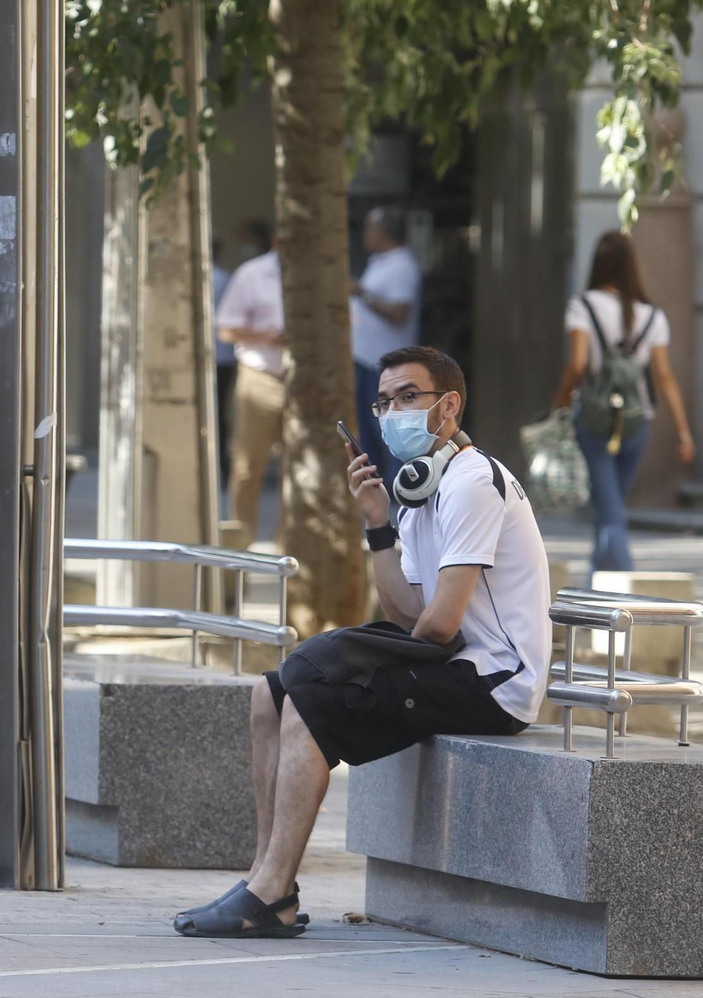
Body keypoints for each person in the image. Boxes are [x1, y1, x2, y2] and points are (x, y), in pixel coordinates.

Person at [175, 346, 550, 939]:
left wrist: (361, 658)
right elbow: (406, 616)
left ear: (448, 406)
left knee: (312, 699)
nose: (392, 411)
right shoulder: (423, 490)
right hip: (452, 663)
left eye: (408, 396)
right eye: (383, 401)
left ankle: (271, 893)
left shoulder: (472, 484)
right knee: (270, 692)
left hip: (495, 681)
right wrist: (377, 521)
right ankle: (263, 878)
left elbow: (440, 625)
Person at [551, 231, 695, 573]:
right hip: (636, 421)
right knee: (610, 505)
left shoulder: (583, 306)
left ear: (598, 265)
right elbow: (664, 376)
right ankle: (598, 585)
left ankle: (618, 588)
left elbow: (577, 365)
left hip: (595, 420)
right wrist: (683, 432)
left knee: (610, 509)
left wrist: (560, 404)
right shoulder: (652, 315)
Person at [215, 219, 284, 549]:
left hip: (306, 380)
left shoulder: (319, 274)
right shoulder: (251, 274)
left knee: (304, 473)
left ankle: (291, 551)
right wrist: (266, 336)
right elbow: (226, 329)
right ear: (276, 239)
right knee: (247, 468)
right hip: (260, 376)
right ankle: (239, 550)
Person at [351, 207, 423, 481]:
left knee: (388, 428)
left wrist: (363, 295)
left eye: (370, 228)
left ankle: (399, 490)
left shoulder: (402, 265)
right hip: (367, 360)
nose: (365, 235)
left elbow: (399, 313)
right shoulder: (379, 261)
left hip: (386, 364)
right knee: (369, 429)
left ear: (383, 232)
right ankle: (377, 486)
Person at [211, 238, 235, 489]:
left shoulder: (216, 279)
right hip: (224, 357)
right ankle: (223, 470)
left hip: (217, 357)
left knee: (216, 415)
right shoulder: (224, 278)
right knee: (220, 415)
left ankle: (221, 469)